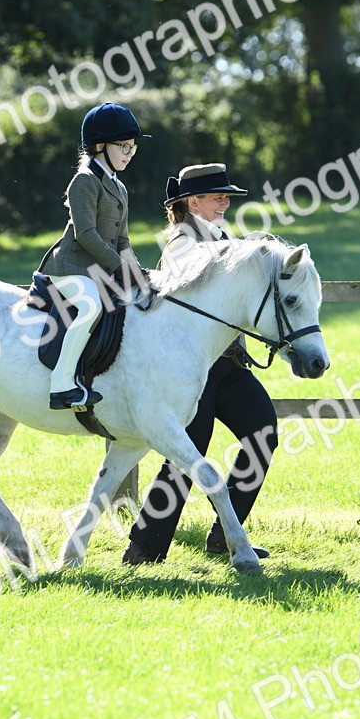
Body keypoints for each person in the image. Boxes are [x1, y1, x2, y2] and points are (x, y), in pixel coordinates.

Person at [122, 163, 278, 564]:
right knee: (187, 452)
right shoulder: (182, 243)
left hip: (224, 364)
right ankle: (144, 548)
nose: (226, 202)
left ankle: (226, 535)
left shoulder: (223, 237)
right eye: (218, 196)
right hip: (188, 368)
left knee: (263, 428)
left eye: (227, 196)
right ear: (194, 202)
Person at [37, 102, 150, 410]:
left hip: (98, 269)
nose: (129, 153)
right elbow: (87, 235)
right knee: (92, 305)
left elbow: (123, 240)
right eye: (123, 146)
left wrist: (139, 273)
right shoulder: (84, 181)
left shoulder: (119, 187)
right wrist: (119, 270)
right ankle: (62, 385)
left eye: (133, 147)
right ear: (100, 146)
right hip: (70, 268)